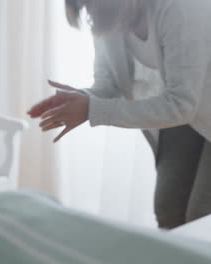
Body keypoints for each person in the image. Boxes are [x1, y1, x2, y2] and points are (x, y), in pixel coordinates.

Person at [28, 0, 211, 229]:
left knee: (201, 217)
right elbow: (108, 85)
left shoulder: (181, 8)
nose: (89, 12)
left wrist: (91, 109)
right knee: (168, 210)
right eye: (83, 6)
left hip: (187, 106)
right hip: (187, 112)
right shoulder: (105, 16)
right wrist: (80, 99)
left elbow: (181, 105)